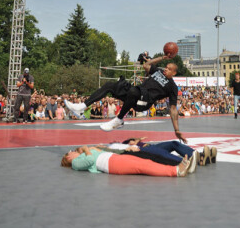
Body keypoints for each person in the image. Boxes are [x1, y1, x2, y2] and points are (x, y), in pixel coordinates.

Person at [65, 53, 187, 142]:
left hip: (144, 102)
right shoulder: (158, 72)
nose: (166, 69)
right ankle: (82, 106)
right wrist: (162, 58)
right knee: (109, 86)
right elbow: (146, 65)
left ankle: (119, 119)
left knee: (133, 91)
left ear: (174, 73)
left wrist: (176, 129)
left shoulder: (172, 87)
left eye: (169, 69)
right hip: (136, 93)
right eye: (166, 67)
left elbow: (173, 109)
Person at [61, 145, 190, 177]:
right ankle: (175, 171)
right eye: (70, 151)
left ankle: (177, 167)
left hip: (113, 158)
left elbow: (99, 152)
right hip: (111, 163)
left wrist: (92, 149)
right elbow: (89, 161)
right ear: (68, 157)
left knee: (145, 163)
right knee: (143, 166)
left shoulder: (82, 155)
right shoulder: (75, 163)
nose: (73, 151)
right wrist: (86, 149)